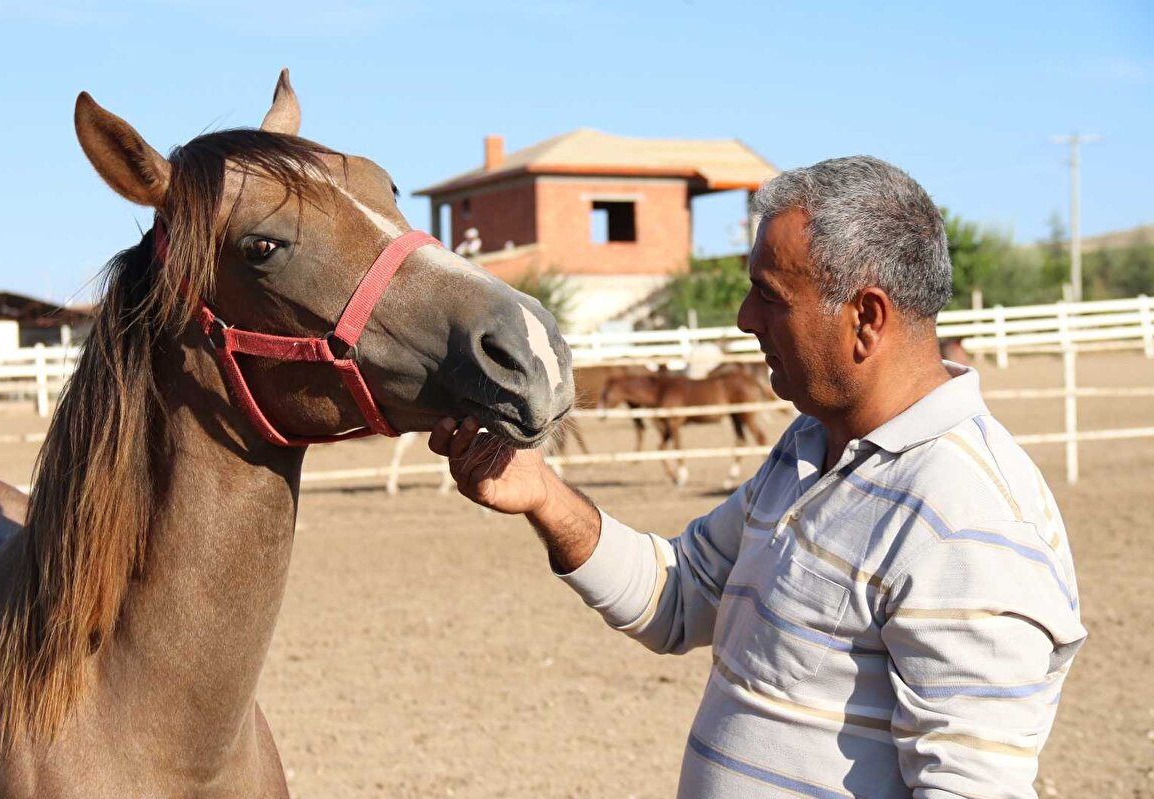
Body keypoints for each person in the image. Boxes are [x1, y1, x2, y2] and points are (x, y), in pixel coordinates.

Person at [429, 156, 1086, 798]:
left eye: (770, 297)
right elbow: (679, 595)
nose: (745, 318)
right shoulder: (810, 445)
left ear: (867, 317)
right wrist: (543, 493)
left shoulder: (970, 520)